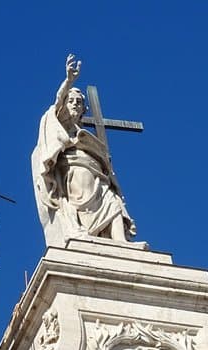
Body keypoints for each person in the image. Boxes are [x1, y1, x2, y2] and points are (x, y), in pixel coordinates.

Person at [30, 53, 135, 246]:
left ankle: (120, 241)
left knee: (112, 201)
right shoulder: (60, 126)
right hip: (74, 171)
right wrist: (69, 81)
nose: (75, 105)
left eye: (79, 102)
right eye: (71, 101)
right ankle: (82, 232)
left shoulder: (84, 135)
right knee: (82, 203)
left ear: (84, 109)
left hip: (97, 173)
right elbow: (57, 103)